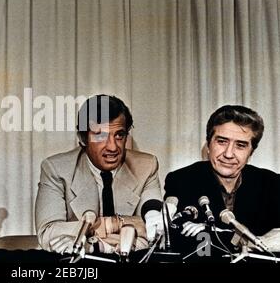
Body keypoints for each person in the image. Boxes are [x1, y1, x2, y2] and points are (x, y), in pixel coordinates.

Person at [35, 94, 163, 254]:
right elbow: (48, 232)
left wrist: (96, 239)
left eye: (119, 135)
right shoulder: (56, 168)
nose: (112, 147)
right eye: (100, 136)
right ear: (82, 138)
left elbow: (156, 228)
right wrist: (120, 228)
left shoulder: (146, 166)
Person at [164, 105, 280, 252]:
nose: (229, 154)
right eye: (222, 141)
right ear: (208, 144)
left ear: (251, 152)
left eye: (240, 145)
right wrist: (258, 243)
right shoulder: (182, 180)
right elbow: (185, 240)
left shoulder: (273, 183)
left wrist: (214, 234)